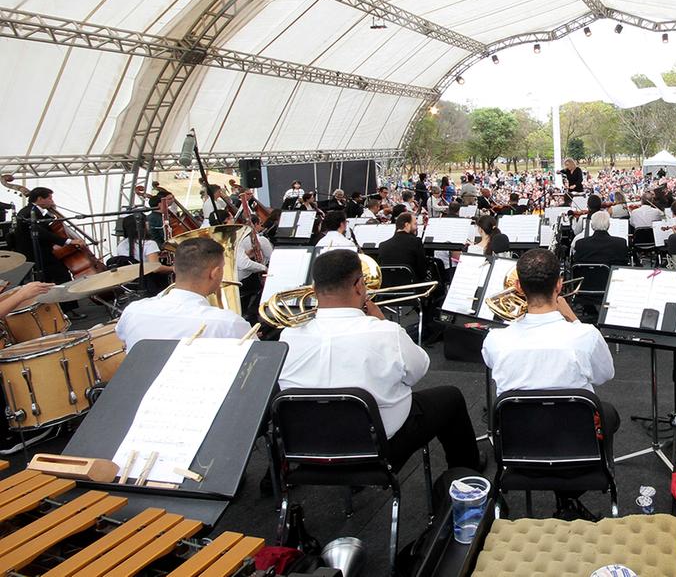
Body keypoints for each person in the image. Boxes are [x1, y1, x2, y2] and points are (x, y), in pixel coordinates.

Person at [277, 249, 482, 472]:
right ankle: (466, 475)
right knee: (451, 397)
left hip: (308, 447)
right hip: (380, 447)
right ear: (358, 286)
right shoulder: (386, 332)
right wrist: (383, 322)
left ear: (315, 289)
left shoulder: (288, 336)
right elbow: (419, 370)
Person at [481, 248, 616, 518]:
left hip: (518, 452)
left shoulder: (495, 340)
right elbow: (605, 375)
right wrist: (574, 320)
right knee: (608, 412)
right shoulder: (584, 335)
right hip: (577, 449)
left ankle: (563, 498)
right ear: (559, 285)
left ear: (518, 286)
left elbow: (495, 364)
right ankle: (569, 495)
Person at [116, 237, 254, 348]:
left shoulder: (133, 311)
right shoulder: (228, 323)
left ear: (175, 268)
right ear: (216, 273)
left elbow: (123, 337)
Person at [12, 187, 86, 319]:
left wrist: (52, 213)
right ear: (40, 199)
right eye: (49, 198)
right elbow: (42, 233)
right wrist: (68, 241)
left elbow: (48, 225)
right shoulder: (29, 212)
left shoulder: (36, 211)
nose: (52, 201)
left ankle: (63, 310)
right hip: (37, 254)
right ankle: (66, 310)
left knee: (57, 279)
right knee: (61, 277)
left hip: (44, 252)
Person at [379, 212, 427, 280]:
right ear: (407, 225)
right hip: (411, 287)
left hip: (388, 287)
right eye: (415, 224)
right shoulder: (416, 242)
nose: (417, 227)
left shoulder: (382, 245)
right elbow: (422, 272)